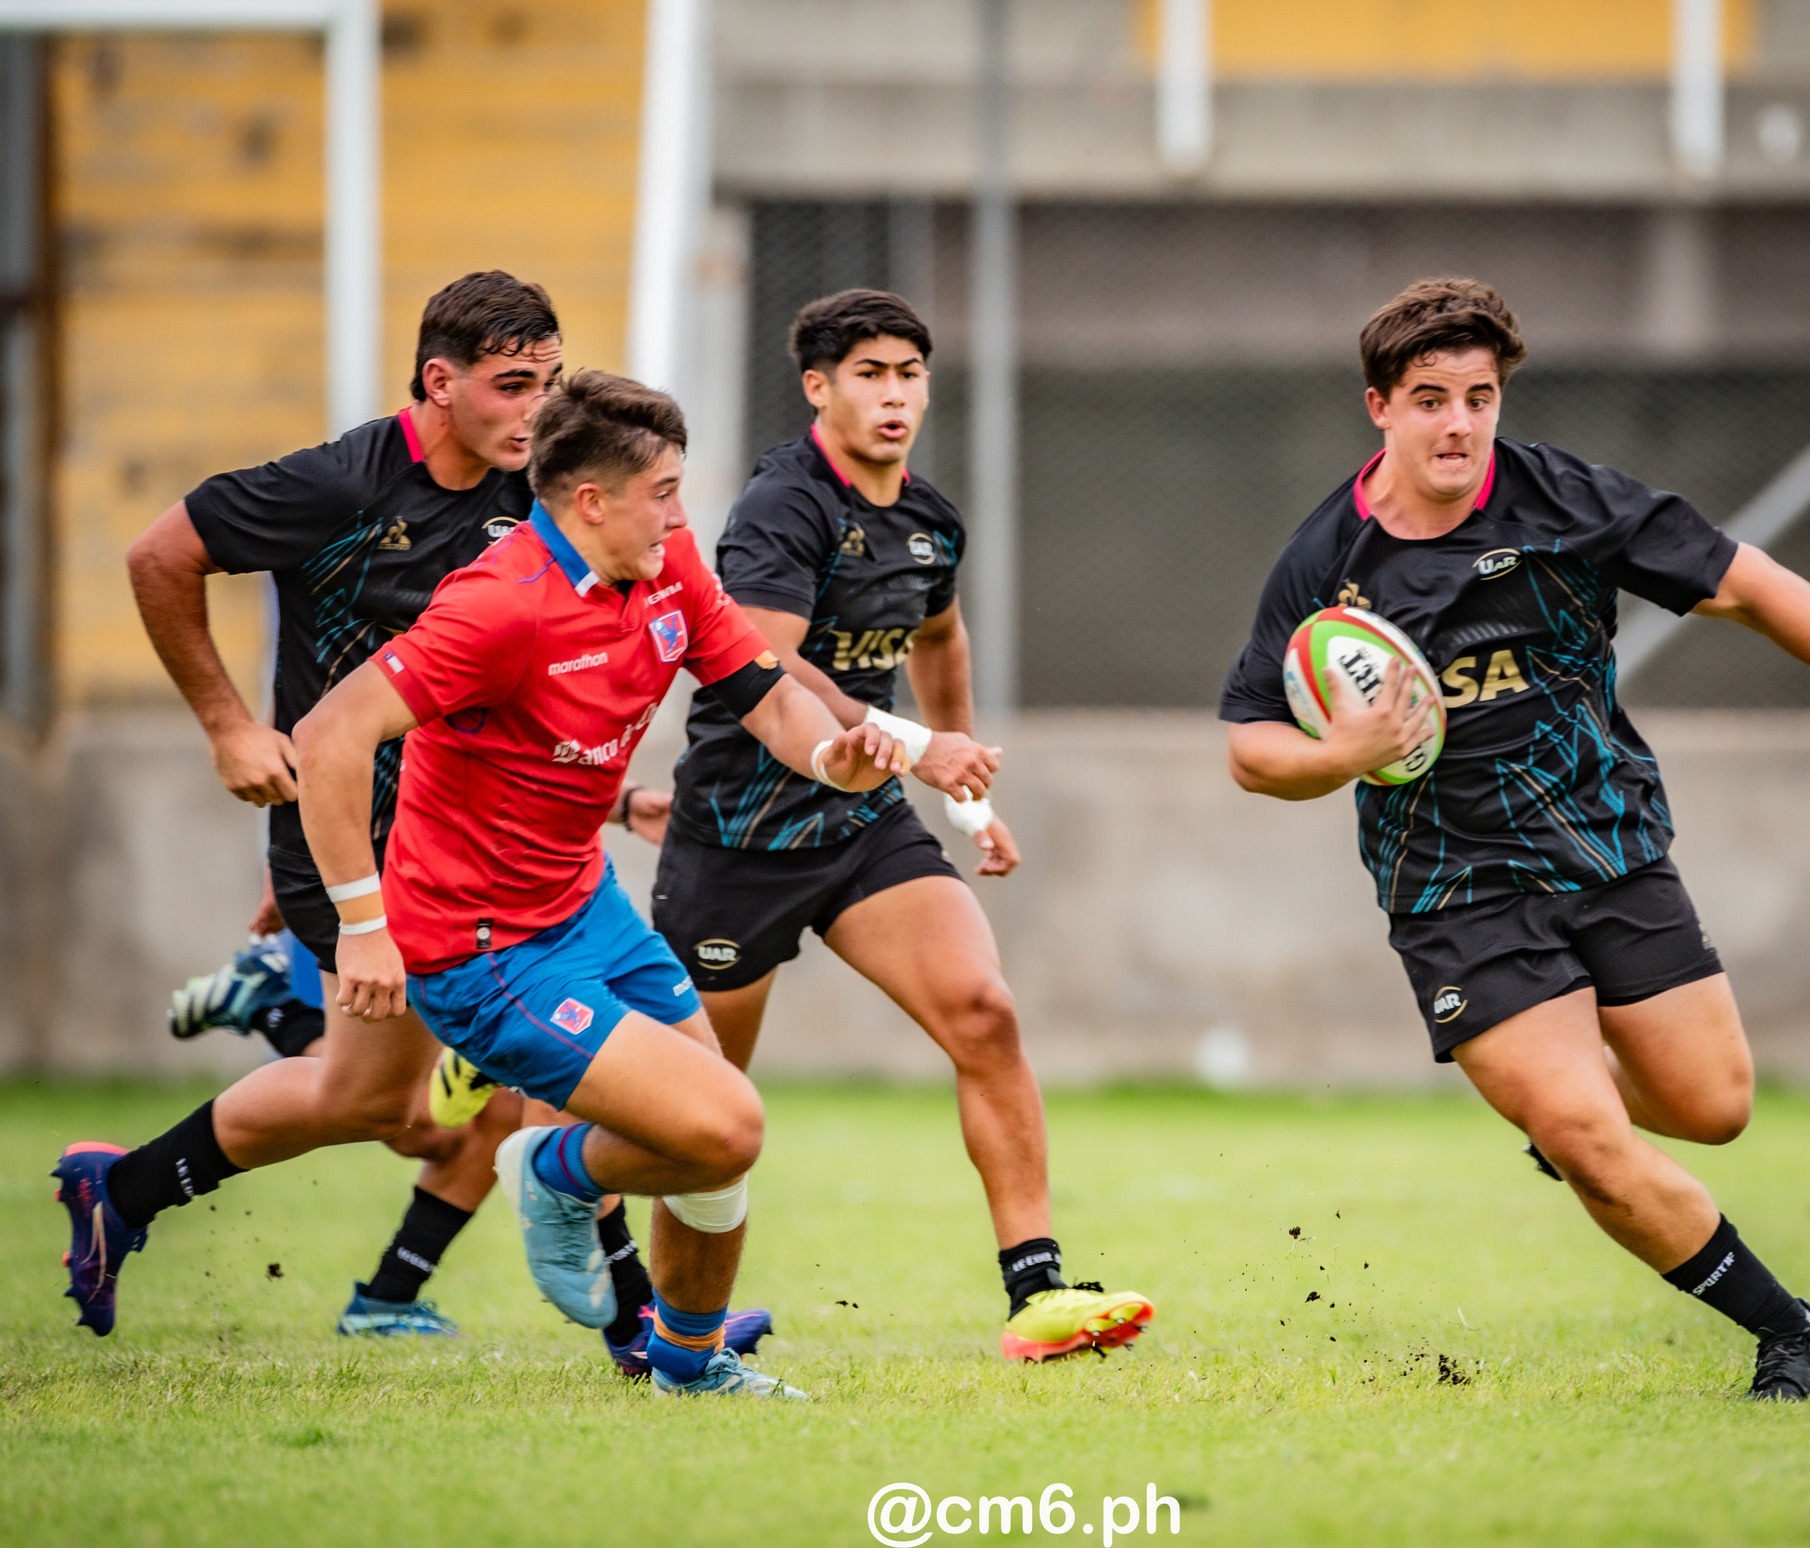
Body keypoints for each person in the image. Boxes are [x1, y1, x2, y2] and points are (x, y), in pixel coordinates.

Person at [1219, 277, 1810, 1402]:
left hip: (1606, 848)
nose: (1457, 424)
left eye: (1478, 397)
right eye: (1430, 399)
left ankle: (1570, 1107)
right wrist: (1343, 752)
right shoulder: (1326, 565)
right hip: (1454, 892)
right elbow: (1249, 748)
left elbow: (1748, 584)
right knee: (1586, 1135)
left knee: (1709, 1108)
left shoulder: (1564, 500)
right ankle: (1786, 1329)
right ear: (1379, 408)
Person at [294, 369, 900, 1398]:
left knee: (715, 1148)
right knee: (726, 1125)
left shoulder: (666, 575)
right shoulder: (498, 604)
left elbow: (765, 695)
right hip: (480, 947)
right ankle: (546, 1173)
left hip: (582, 906)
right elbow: (329, 733)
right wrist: (362, 923)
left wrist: (834, 757)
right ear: (590, 501)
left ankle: (688, 1366)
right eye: (662, 490)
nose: (679, 511)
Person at [646, 288, 1153, 1361]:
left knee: (981, 1012)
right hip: (742, 834)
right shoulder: (782, 506)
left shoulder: (927, 517)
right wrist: (919, 746)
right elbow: (764, 662)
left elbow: (940, 640)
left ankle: (1037, 1293)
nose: (893, 395)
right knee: (701, 1119)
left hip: (862, 827)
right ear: (816, 388)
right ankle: (659, 1312)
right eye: (868, 374)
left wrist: (963, 792)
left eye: (908, 373)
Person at [55, 272, 559, 1337]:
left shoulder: (535, 493)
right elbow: (160, 553)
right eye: (514, 385)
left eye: (549, 385)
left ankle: (170, 1155)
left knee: (430, 1106)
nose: (536, 410)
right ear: (440, 381)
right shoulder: (340, 485)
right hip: (352, 842)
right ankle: (658, 1335)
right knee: (412, 1105)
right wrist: (229, 725)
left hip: (466, 834)